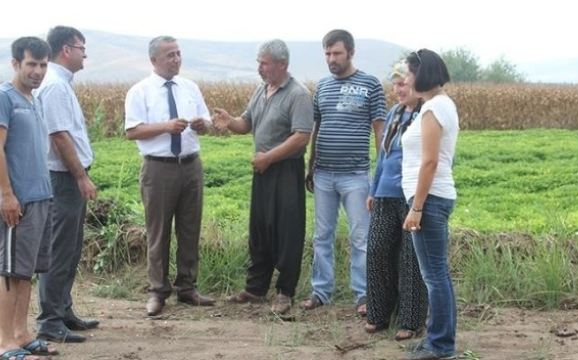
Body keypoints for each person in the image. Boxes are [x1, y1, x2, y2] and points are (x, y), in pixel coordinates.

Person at [215, 39, 313, 315]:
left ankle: (284, 292)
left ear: (282, 64)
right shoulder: (261, 91)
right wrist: (229, 121)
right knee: (260, 229)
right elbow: (246, 123)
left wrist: (269, 157)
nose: (259, 68)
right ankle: (256, 289)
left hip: (285, 170)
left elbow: (301, 137)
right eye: (259, 62)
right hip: (263, 170)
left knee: (287, 231)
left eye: (264, 63)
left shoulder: (298, 94)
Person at [125, 35, 213, 317]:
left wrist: (203, 125)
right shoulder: (140, 91)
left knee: (190, 228)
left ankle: (187, 287)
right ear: (154, 60)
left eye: (178, 54)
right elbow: (132, 131)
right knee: (158, 231)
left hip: (190, 165)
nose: (176, 59)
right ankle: (157, 291)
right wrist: (166, 127)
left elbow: (208, 122)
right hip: (159, 168)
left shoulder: (190, 88)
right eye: (170, 56)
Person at [302, 29, 387, 315]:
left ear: (351, 52)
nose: (331, 59)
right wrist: (310, 165)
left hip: (356, 176)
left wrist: (382, 172)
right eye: (327, 53)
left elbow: (380, 131)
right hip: (324, 175)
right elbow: (316, 128)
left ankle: (364, 295)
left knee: (360, 237)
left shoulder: (370, 85)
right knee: (322, 235)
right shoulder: (322, 87)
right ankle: (320, 291)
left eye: (336, 53)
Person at [35, 25, 99, 344]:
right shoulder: (55, 86)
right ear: (66, 50)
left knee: (71, 248)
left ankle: (63, 311)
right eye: (81, 48)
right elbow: (59, 135)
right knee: (59, 250)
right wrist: (81, 176)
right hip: (62, 180)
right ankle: (49, 320)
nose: (84, 54)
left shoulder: (61, 83)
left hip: (66, 179)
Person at [0, 36, 59, 359]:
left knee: (27, 271)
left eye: (42, 65)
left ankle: (22, 334)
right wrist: (6, 194)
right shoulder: (4, 98)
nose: (37, 71)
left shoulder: (33, 99)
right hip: (17, 201)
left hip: (41, 197)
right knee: (9, 272)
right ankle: (5, 342)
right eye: (31, 64)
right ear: (15, 64)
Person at [401, 49, 459, 360]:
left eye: (409, 73)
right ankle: (438, 339)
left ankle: (441, 345)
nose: (406, 79)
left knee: (434, 274)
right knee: (436, 273)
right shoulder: (438, 105)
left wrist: (417, 206)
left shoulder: (433, 109)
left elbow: (430, 162)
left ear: (422, 74)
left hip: (430, 199)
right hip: (434, 197)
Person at [364, 61, 428, 341]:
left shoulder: (427, 114)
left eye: (402, 83)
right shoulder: (394, 113)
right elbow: (384, 156)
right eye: (394, 84)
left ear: (416, 82)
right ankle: (379, 314)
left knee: (410, 260)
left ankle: (412, 321)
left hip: (411, 194)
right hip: (386, 194)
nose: (397, 89)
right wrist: (373, 189)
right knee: (377, 251)